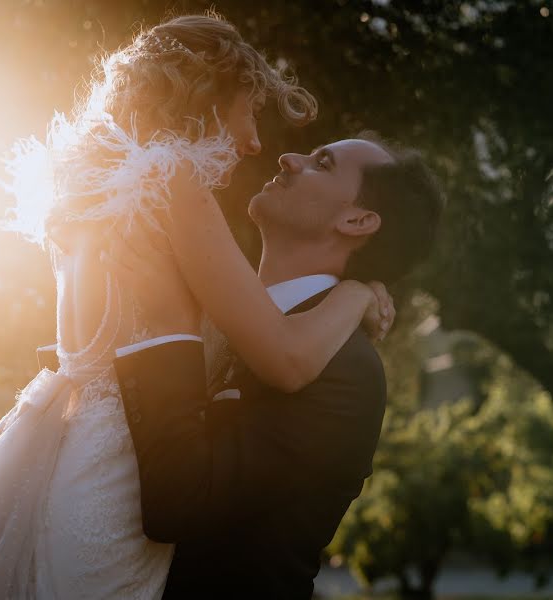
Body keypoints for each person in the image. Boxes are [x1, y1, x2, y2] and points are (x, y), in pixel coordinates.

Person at [0, 13, 393, 600]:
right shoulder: (173, 185)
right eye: (248, 113)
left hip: (64, 455)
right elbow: (284, 356)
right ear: (209, 98)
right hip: (116, 484)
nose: (253, 143)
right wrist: (355, 295)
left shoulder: (94, 197)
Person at [105, 133, 443, 598]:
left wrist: (165, 327)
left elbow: (179, 502)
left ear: (357, 220)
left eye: (321, 163)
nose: (287, 157)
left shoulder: (346, 373)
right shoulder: (218, 310)